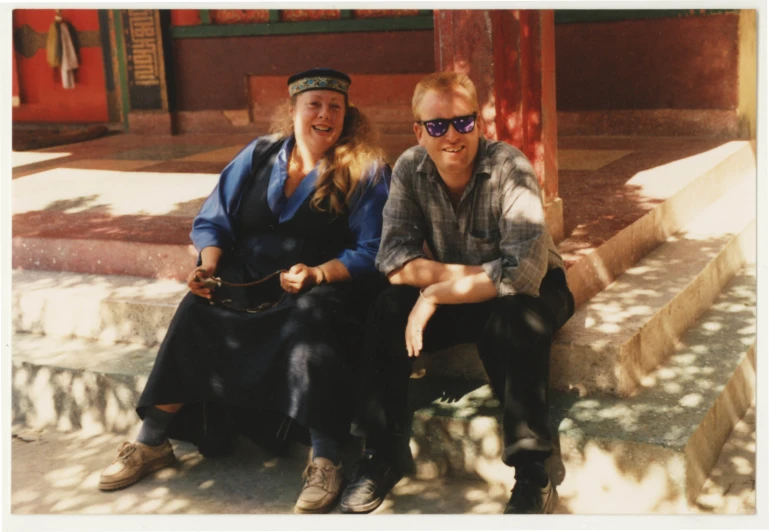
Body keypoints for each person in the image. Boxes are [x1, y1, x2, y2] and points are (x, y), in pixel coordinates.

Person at [98, 68, 391, 514]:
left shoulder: (366, 170)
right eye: (314, 104)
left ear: (347, 114)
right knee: (197, 311)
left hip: (321, 286)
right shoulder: (259, 155)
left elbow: (373, 248)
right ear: (293, 111)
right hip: (246, 278)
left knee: (311, 321)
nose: (325, 114)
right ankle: (152, 441)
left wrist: (320, 273)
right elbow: (213, 218)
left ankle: (326, 458)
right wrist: (209, 265)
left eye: (335, 106)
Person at [339, 72, 574, 515]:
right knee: (388, 308)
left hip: (539, 289)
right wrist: (460, 283)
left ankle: (532, 475)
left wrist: (434, 296)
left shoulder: (511, 167)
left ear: (479, 125)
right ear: (418, 132)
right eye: (437, 125)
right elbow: (393, 260)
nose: (452, 135)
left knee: (513, 320)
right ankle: (378, 456)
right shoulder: (409, 168)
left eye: (463, 123)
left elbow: (524, 275)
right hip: (477, 286)